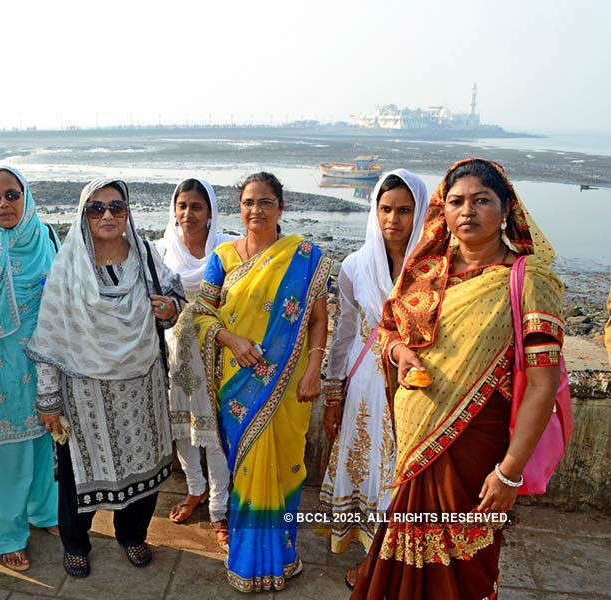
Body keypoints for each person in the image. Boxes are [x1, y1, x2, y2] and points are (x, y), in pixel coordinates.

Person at [351, 158, 564, 600]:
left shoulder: (528, 281)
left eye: (482, 201)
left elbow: (542, 386)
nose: (467, 211)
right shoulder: (427, 271)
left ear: (506, 210)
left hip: (475, 442)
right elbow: (387, 329)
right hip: (413, 440)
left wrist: (509, 474)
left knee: (464, 563)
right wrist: (398, 352)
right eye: (456, 201)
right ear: (442, 212)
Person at [26, 178, 185, 578]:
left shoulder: (146, 255)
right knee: (77, 474)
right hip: (83, 393)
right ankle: (76, 544)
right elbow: (50, 337)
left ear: (128, 211)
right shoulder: (69, 264)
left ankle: (131, 536)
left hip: (141, 385)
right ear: (84, 215)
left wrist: (168, 310)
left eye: (117, 206)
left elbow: (175, 303)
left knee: (144, 469)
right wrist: (49, 402)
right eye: (97, 208)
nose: (108, 215)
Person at [193, 172, 334, 593]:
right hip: (240, 386)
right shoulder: (222, 257)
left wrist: (314, 369)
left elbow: (319, 319)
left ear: (281, 207)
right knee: (248, 469)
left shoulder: (304, 257)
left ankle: (284, 557)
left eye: (265, 202)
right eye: (248, 202)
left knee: (288, 468)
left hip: (290, 387)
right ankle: (248, 560)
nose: (256, 210)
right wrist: (231, 339)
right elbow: (201, 312)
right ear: (239, 207)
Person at [319, 170, 428, 587]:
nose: (393, 220)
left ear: (420, 213)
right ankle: (374, 559)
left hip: (417, 386)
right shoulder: (356, 266)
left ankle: (403, 559)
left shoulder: (435, 268)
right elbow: (345, 332)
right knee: (372, 472)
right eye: (385, 209)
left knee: (407, 476)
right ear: (374, 210)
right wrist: (334, 394)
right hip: (366, 383)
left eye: (404, 210)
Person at [0, 165, 60, 570]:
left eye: (11, 194)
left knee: (43, 443)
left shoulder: (45, 239)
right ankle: (8, 533)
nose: (3, 204)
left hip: (44, 364)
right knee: (4, 455)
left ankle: (45, 512)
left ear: (26, 196)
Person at [154, 178, 235, 549]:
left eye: (196, 207)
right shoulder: (160, 252)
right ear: (174, 210)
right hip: (173, 356)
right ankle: (194, 491)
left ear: (210, 214)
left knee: (215, 435)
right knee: (182, 432)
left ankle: (220, 509)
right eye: (182, 205)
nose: (188, 213)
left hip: (215, 359)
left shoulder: (227, 252)